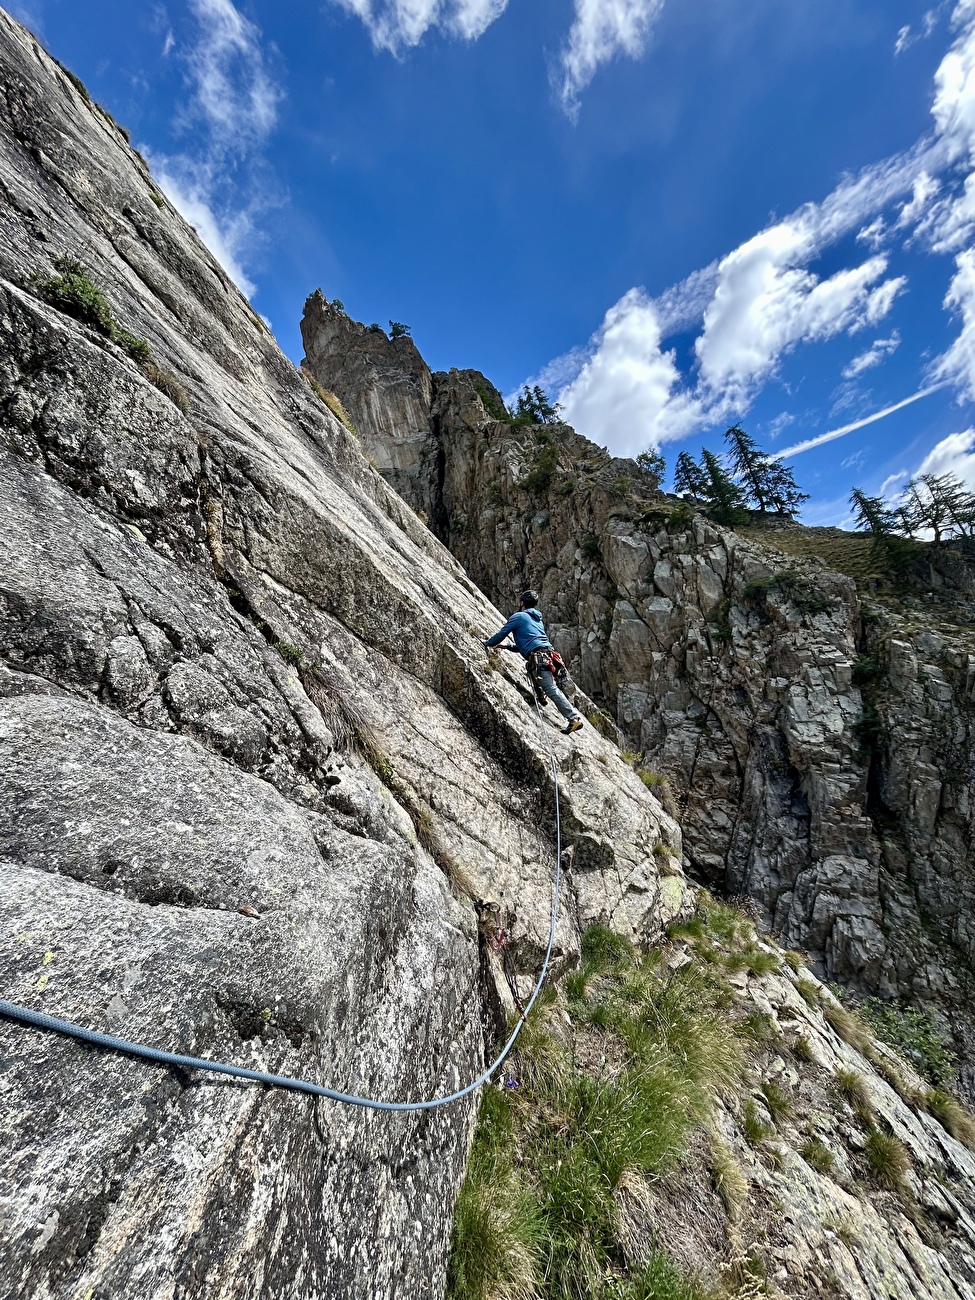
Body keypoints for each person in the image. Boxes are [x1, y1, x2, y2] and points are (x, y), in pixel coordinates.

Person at [483, 590, 584, 734]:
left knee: (550, 688)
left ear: (522, 603)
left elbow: (502, 633)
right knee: (531, 667)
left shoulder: (518, 617)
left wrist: (487, 643)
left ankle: (573, 718)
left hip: (539, 657)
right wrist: (508, 646)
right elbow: (530, 644)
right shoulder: (537, 620)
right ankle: (540, 695)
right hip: (548, 655)